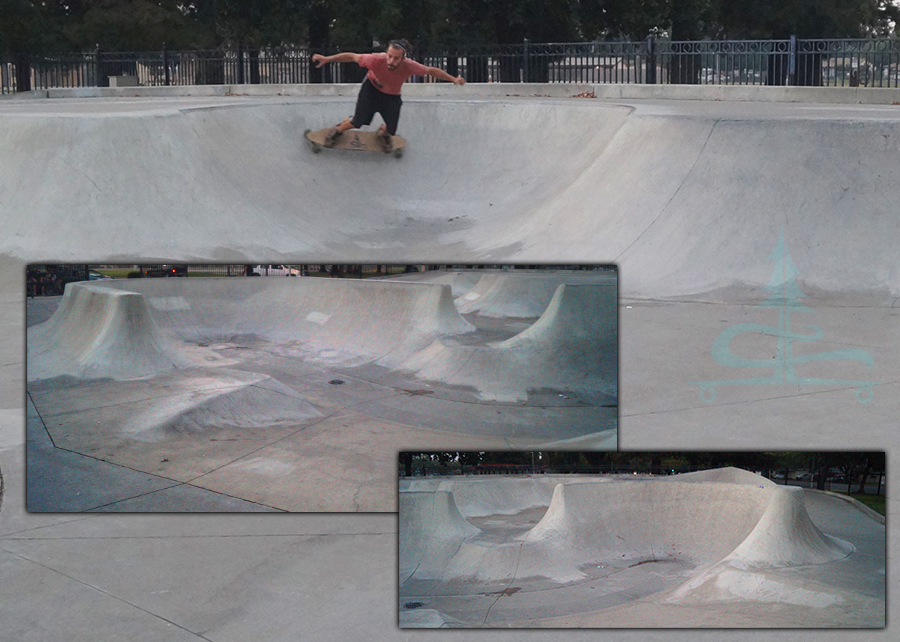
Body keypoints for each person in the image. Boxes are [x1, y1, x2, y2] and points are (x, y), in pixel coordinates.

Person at [312, 40, 465, 151]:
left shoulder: (410, 66)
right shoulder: (375, 59)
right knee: (358, 121)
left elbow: (431, 71)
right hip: (371, 90)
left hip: (391, 97)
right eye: (389, 56)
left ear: (403, 58)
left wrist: (453, 79)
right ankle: (337, 130)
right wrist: (327, 59)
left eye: (396, 58)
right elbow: (352, 56)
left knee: (391, 131)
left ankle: (382, 132)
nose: (391, 61)